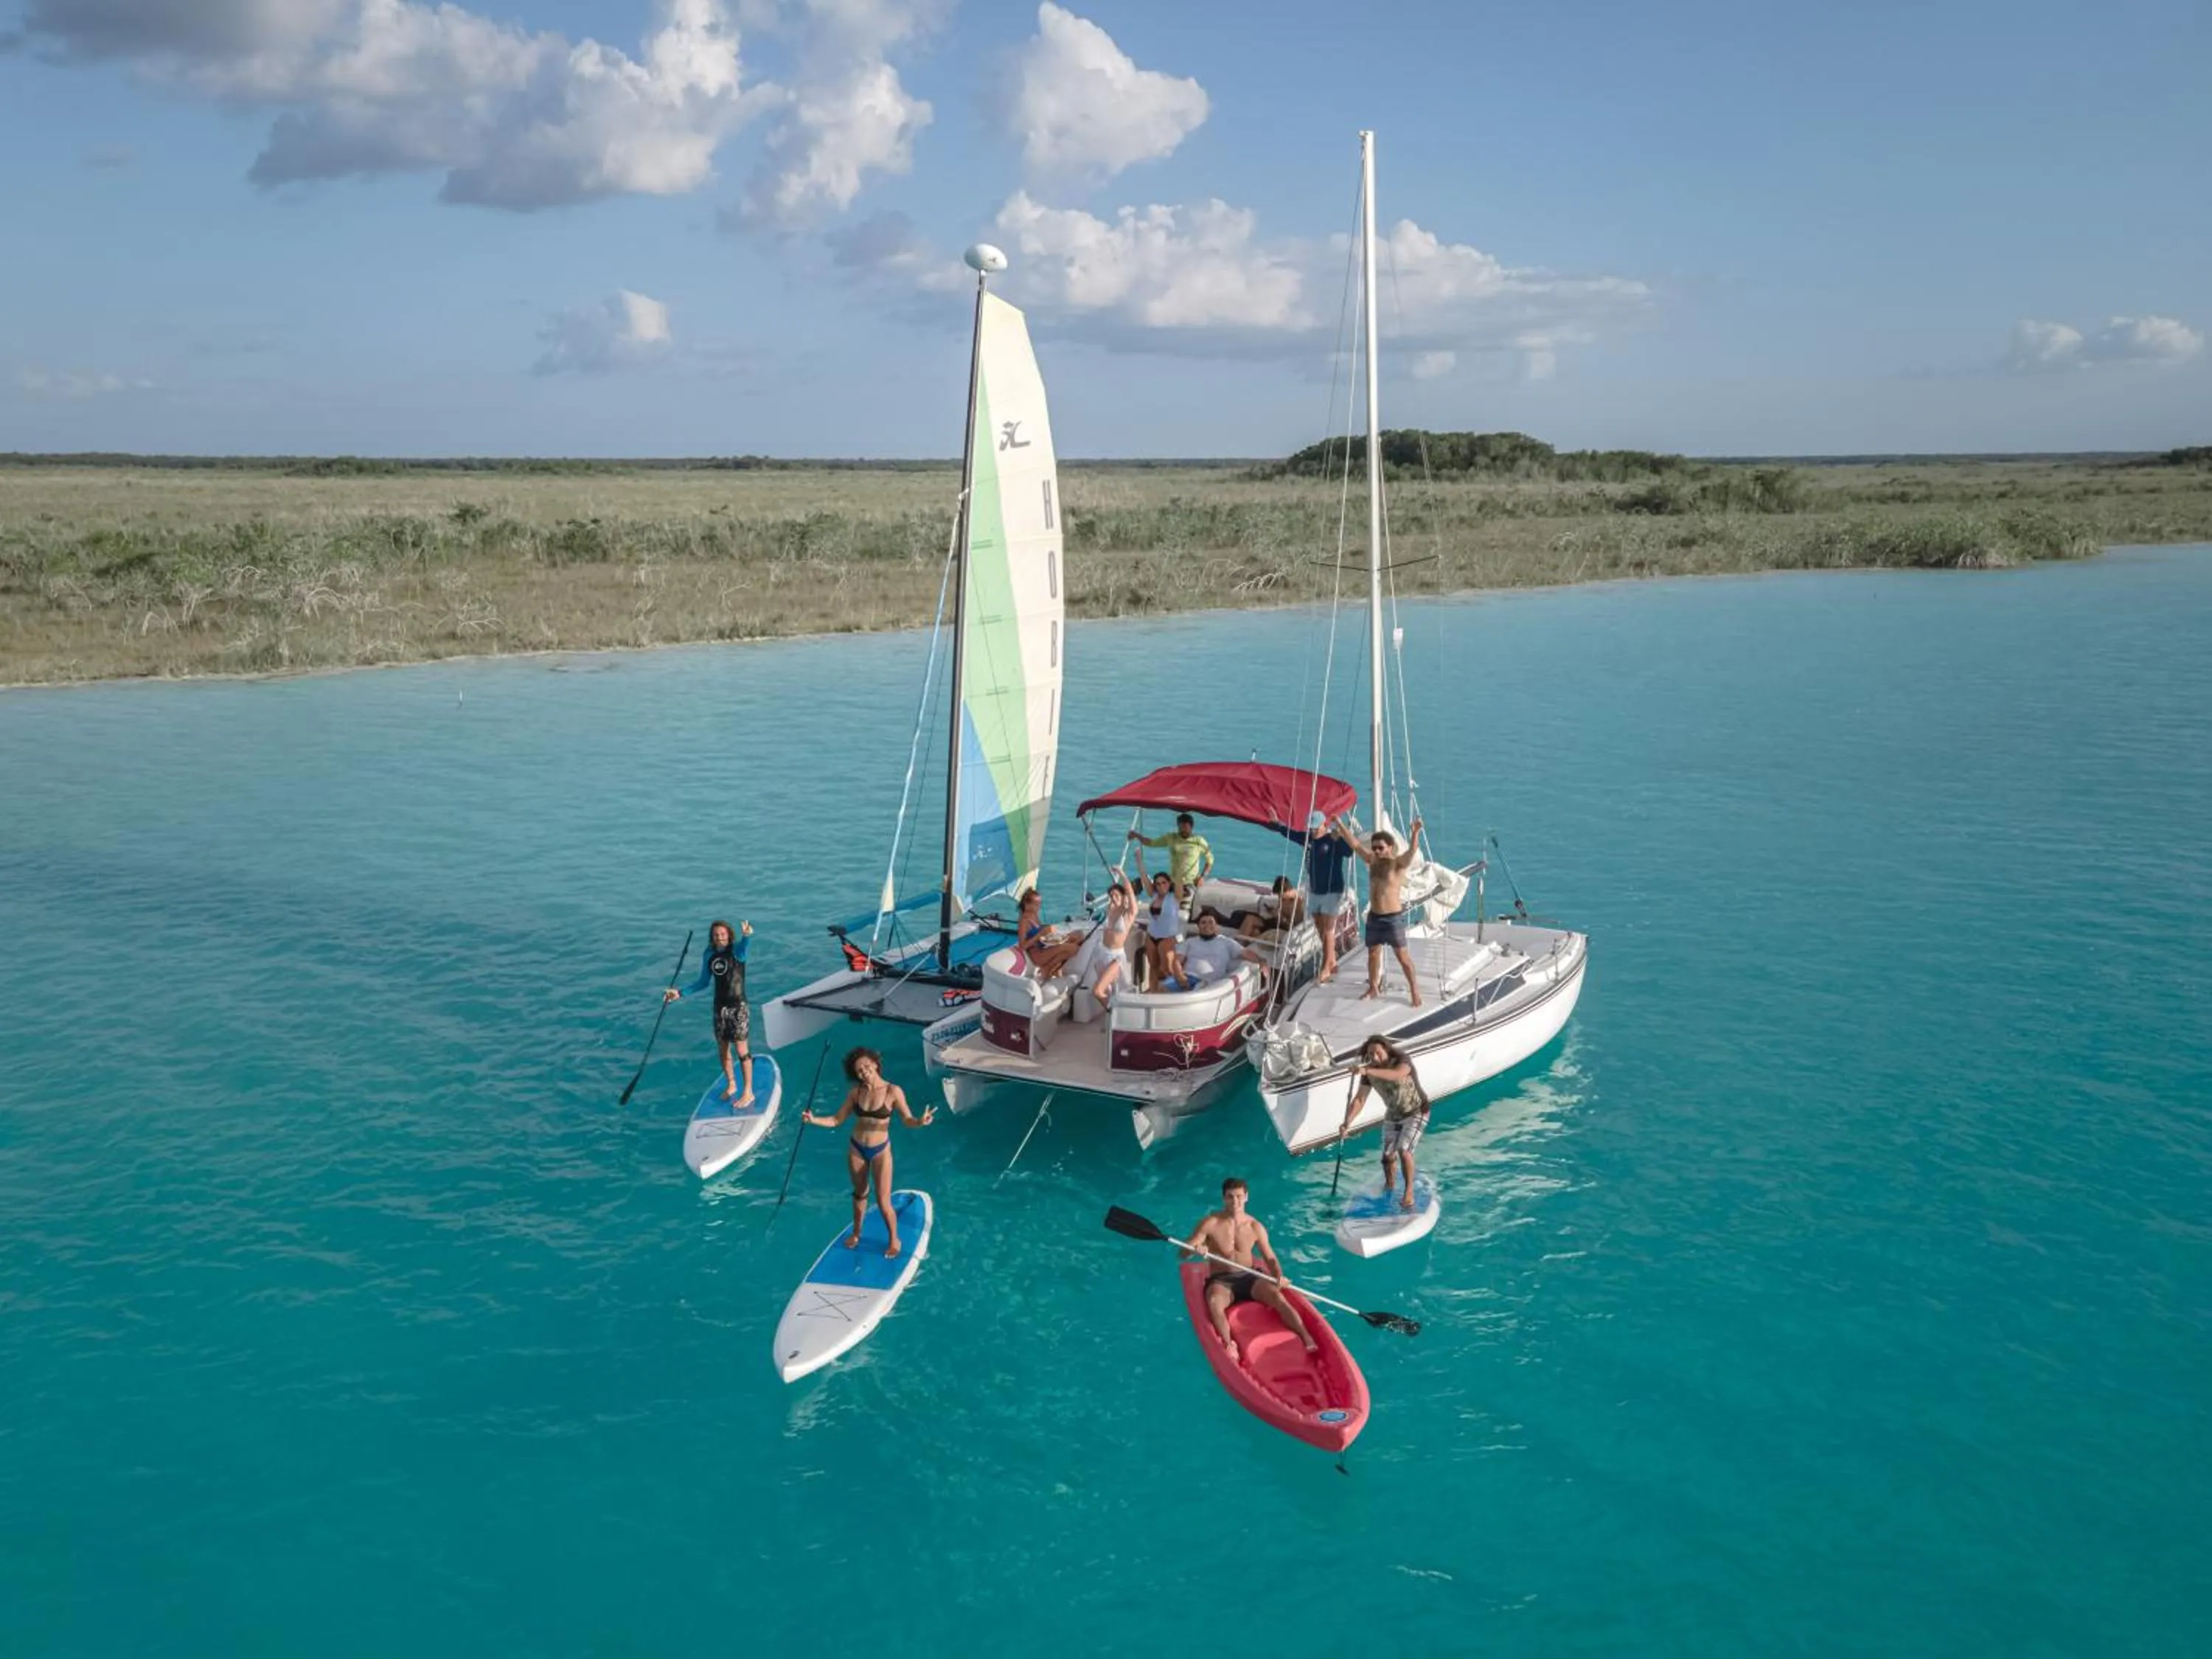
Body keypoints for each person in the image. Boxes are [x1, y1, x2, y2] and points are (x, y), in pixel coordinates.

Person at [801, 1047, 936, 1259]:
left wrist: (920, 1121)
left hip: (881, 1151)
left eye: (866, 1066)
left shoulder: (893, 1091)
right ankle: (856, 1233)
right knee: (860, 1194)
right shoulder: (856, 1093)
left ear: (875, 1064)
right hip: (857, 1148)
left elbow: (907, 1120)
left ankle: (894, 1239)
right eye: (859, 1070)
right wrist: (813, 1120)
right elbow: (836, 1120)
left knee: (883, 1201)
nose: (864, 1072)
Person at [1185, 1177, 1315, 1366]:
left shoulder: (1255, 1226)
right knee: (1214, 1302)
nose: (1235, 1201)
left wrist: (1278, 1276)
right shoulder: (1210, 1223)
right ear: (1224, 1198)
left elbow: (1270, 1257)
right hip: (1222, 1281)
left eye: (1239, 1196)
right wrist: (1195, 1249)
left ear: (1246, 1197)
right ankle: (1229, 1343)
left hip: (1250, 1276)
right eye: (1230, 1197)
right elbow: (1183, 1253)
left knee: (1278, 1297)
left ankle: (1305, 1336)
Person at [665, 919, 755, 1106]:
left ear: (729, 935)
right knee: (723, 1048)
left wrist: (747, 935)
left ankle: (748, 1092)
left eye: (722, 934)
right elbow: (703, 982)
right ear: (712, 938)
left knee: (741, 1050)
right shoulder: (709, 954)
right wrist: (680, 993)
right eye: (716, 935)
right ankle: (732, 1084)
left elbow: (745, 946)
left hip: (738, 1006)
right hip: (719, 1007)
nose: (719, 937)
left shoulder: (737, 951)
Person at [1340, 1035, 1429, 1211]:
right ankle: (1389, 1186)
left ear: (1386, 1050)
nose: (1375, 1057)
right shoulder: (1369, 1072)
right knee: (1387, 1157)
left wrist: (1367, 1070)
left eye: (1378, 1053)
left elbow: (1396, 1075)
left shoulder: (1402, 1061)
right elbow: (1359, 1099)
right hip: (1393, 1115)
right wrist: (1347, 1122)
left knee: (1404, 1150)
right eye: (1370, 1054)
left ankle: (1409, 1193)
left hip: (1416, 1112)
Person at [1360, 817, 1425, 1006]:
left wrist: (1415, 833)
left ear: (1390, 847)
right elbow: (1355, 845)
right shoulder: (1372, 863)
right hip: (1374, 917)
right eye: (1374, 848)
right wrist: (1340, 825)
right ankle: (1373, 987)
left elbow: (1412, 851)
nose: (1376, 851)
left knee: (1402, 957)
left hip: (1392, 919)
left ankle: (1414, 989)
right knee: (1373, 953)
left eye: (1380, 848)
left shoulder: (1398, 864)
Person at [1304, 811, 1359, 984]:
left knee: (1328, 930)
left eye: (1315, 828)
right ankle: (1332, 960)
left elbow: (1350, 852)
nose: (1313, 831)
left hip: (1332, 892)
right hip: (1315, 891)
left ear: (1324, 825)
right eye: (1310, 828)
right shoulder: (1310, 840)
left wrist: (1340, 837)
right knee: (1320, 927)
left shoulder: (1333, 840)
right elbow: (1290, 833)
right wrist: (1275, 824)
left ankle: (1326, 968)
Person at [1128, 813, 1212, 905]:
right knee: (1157, 897)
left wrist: (1203, 877)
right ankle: (1143, 884)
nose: (1182, 831)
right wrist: (1137, 836)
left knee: (1182, 902)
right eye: (1180, 828)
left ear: (1191, 827)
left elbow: (1210, 860)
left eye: (1185, 828)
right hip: (1172, 881)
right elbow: (1152, 843)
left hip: (1189, 883)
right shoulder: (1171, 838)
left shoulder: (1199, 841)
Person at [1087, 866, 1139, 1008]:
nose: (1113, 898)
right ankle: (1112, 1016)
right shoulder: (1109, 911)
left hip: (1116, 958)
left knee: (1098, 991)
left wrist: (1121, 873)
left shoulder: (1128, 914)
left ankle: (1114, 1013)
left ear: (1124, 898)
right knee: (1108, 992)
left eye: (1116, 896)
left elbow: (1129, 890)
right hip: (1102, 954)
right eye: (1111, 896)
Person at [1180, 908, 1266, 987]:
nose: (1207, 925)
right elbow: (1178, 960)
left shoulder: (1226, 942)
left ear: (1216, 926)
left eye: (1211, 922)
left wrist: (1261, 961)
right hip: (1186, 978)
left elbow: (1245, 952)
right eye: (1203, 923)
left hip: (1209, 984)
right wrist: (1181, 978)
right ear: (1198, 926)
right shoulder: (1190, 942)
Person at [1014, 889, 1084, 978]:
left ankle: (1055, 967)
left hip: (1044, 947)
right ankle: (1048, 967)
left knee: (1078, 935)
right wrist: (1041, 934)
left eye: (1039, 904)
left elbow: (1040, 934)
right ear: (1026, 904)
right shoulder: (1023, 921)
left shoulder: (1034, 915)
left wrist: (1048, 932)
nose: (1038, 907)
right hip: (1038, 955)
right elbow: (1023, 946)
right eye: (1036, 904)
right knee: (1074, 949)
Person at [1139, 863, 1186, 991]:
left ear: (1169, 883)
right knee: (1153, 967)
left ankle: (1179, 990)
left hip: (1168, 937)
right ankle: (1153, 993)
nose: (1161, 886)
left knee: (1167, 970)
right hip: (1151, 936)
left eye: (1164, 883)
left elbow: (1179, 879)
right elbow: (1144, 878)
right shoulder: (1154, 896)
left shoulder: (1175, 898)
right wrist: (1139, 861)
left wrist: (1178, 866)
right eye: (1158, 884)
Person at [1237, 875, 1306, 940]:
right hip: (1274, 921)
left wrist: (1280, 917)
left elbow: (1294, 927)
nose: (1280, 897)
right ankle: (1240, 944)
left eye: (1280, 895)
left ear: (1287, 891)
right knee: (1250, 924)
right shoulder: (1284, 898)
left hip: (1280, 926)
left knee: (1250, 920)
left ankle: (1238, 945)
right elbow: (1280, 910)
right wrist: (1273, 911)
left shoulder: (1297, 904)